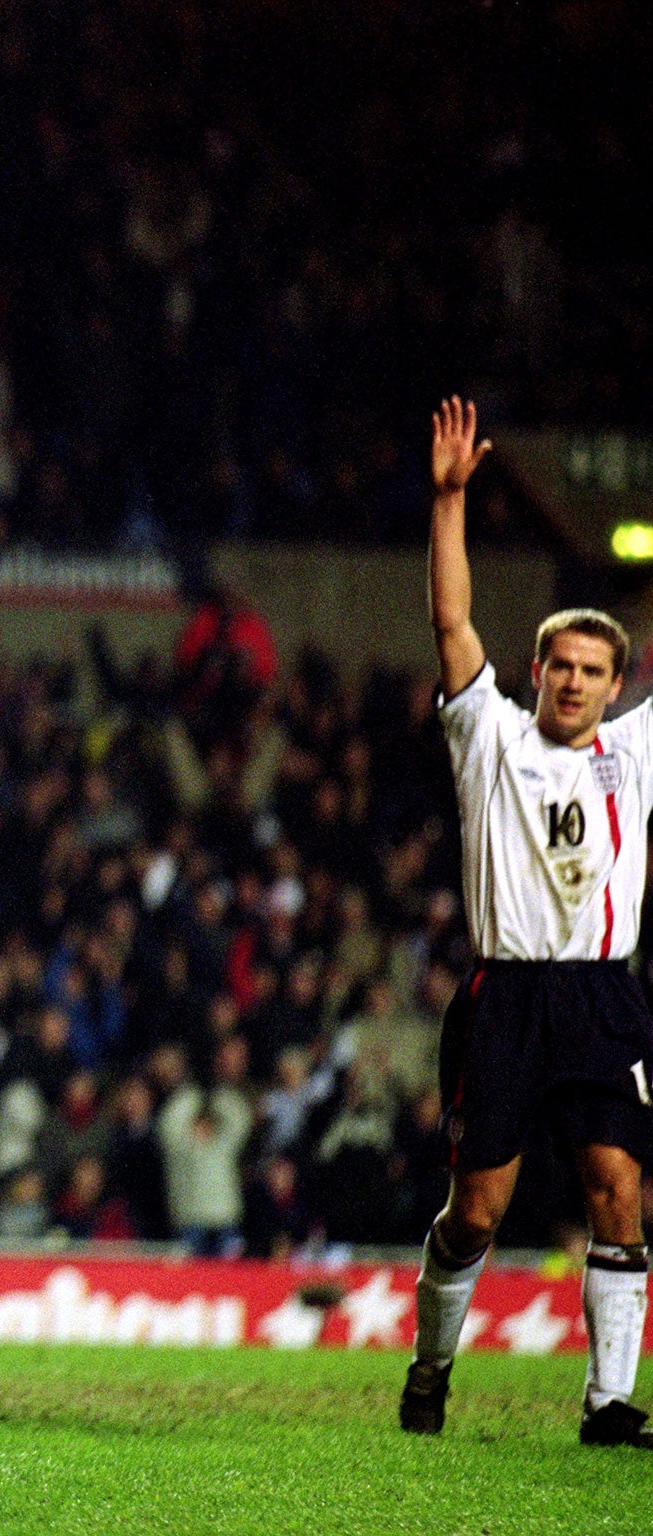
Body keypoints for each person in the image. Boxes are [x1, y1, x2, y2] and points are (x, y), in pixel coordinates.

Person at [404, 396, 653, 1447]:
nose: (572, 683)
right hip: (505, 994)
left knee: (616, 1192)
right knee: (477, 1211)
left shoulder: (632, 752)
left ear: (612, 684)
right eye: (559, 665)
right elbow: (451, 625)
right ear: (538, 668)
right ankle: (429, 1370)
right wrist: (449, 501)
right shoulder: (490, 737)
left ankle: (604, 1403)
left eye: (592, 671)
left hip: (600, 994)